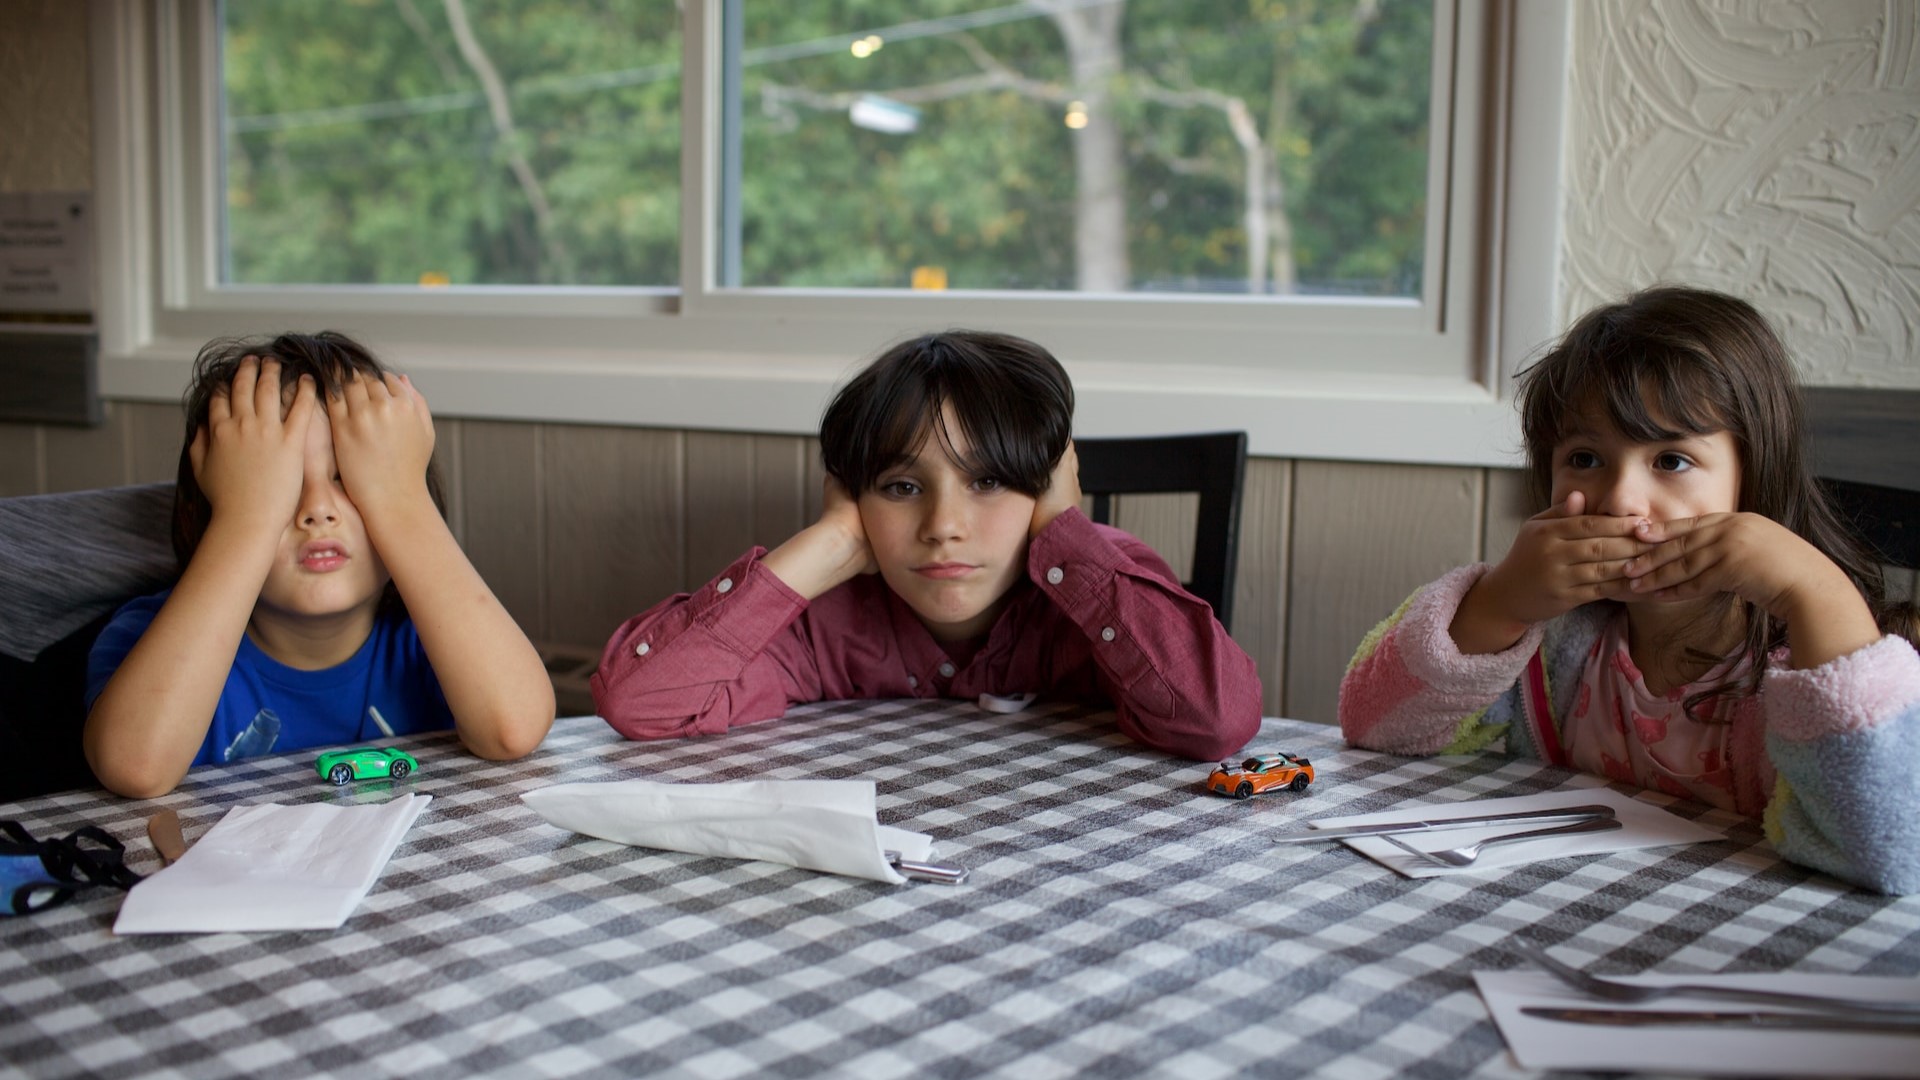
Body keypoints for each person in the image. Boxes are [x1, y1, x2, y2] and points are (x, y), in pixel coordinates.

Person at [1338, 286, 1920, 894]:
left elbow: (1893, 848)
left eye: (1671, 461)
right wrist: (1500, 601)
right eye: (1586, 458)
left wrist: (1815, 590)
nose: (1620, 502)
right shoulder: (1549, 642)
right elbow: (1376, 729)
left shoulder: (1814, 658)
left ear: (1754, 479)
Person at [591, 330, 1262, 760]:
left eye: (991, 481)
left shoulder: (1097, 584)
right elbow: (640, 704)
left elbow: (1218, 721)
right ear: (852, 500)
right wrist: (825, 545)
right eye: (903, 488)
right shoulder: (819, 624)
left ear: (1050, 488)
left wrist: (1067, 535)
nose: (944, 525)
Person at [85, 332, 554, 798]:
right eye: (280, 487)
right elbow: (135, 767)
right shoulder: (145, 636)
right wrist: (246, 518)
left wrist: (402, 501)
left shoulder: (437, 640)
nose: (318, 510)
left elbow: (513, 730)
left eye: (349, 480)